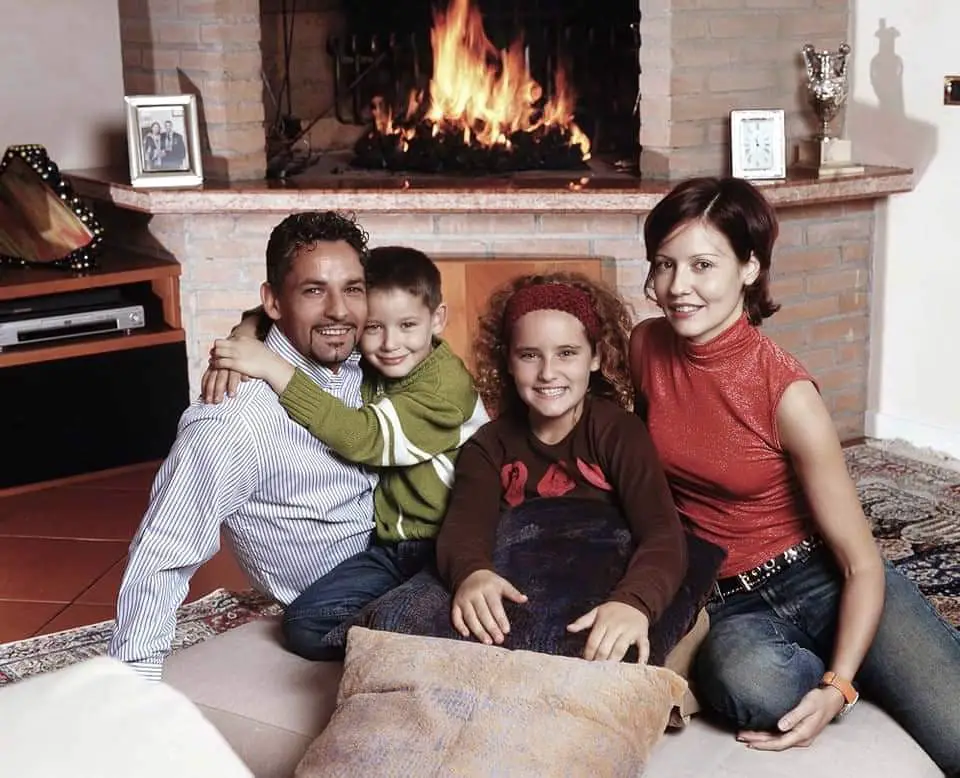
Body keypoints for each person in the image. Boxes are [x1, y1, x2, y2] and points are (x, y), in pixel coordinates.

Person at [630, 176, 960, 772]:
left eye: (703, 264)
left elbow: (860, 562)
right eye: (664, 265)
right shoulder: (645, 348)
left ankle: (858, 665)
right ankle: (837, 666)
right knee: (752, 690)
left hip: (823, 579)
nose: (678, 287)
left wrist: (838, 688)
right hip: (727, 600)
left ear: (749, 268)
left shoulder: (787, 393)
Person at [108, 211, 378, 681]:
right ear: (273, 302)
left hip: (415, 550)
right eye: (314, 290)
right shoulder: (234, 418)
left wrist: (246, 328)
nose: (338, 309)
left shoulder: (363, 361)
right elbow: (163, 550)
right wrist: (137, 686)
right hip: (351, 603)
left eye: (352, 289)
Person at [208, 246, 489, 659]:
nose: (391, 343)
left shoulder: (443, 388)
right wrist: (246, 332)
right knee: (304, 626)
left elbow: (363, 438)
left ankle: (424, 628)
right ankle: (410, 627)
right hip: (392, 547)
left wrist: (270, 366)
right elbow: (287, 311)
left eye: (408, 324)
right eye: (374, 326)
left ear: (438, 319)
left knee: (434, 611)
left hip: (447, 546)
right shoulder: (383, 359)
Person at [435, 272, 688, 663]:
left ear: (597, 357)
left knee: (626, 642)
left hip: (601, 577)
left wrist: (633, 603)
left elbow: (662, 533)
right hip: (526, 577)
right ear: (508, 360)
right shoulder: (487, 446)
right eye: (530, 355)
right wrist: (472, 574)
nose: (548, 372)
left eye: (567, 353)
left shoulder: (618, 432)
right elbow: (464, 527)